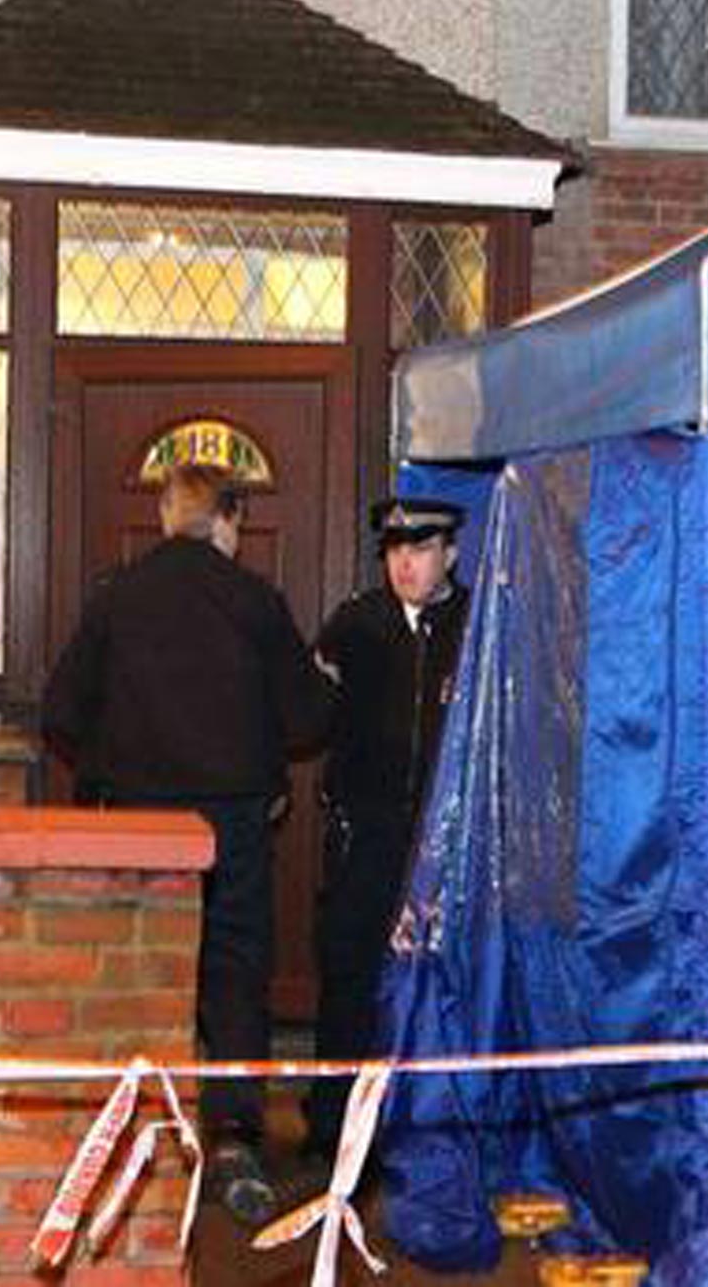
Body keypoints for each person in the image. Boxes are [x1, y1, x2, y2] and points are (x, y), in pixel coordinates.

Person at [41, 463, 331, 1227]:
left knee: (144, 967)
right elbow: (307, 722)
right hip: (231, 823)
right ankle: (234, 1138)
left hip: (139, 820)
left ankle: (136, 1133)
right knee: (235, 971)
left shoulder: (117, 599)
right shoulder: (255, 601)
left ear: (170, 517)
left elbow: (61, 710)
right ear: (228, 519)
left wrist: (107, 767)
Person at [305, 494, 470, 1161]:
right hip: (367, 835)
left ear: (449, 554)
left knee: (440, 983)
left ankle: (430, 1133)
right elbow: (313, 716)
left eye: (421, 549)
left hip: (444, 840)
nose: (405, 563)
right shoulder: (356, 626)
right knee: (349, 979)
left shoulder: (471, 624)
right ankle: (334, 1130)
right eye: (395, 551)